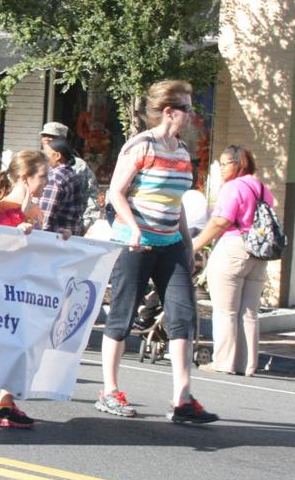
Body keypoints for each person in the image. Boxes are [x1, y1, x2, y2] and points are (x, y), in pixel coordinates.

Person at [100, 79, 216, 423]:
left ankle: (182, 399)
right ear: (169, 111)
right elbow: (116, 194)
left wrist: (187, 244)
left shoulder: (180, 151)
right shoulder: (140, 146)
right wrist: (134, 229)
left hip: (170, 246)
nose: (193, 115)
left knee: (182, 318)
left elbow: (176, 203)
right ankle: (109, 390)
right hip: (135, 245)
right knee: (121, 316)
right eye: (188, 108)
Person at [0, 149, 53, 428]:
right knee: (2, 345)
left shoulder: (35, 209)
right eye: (43, 176)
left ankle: (5, 403)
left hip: (27, 289)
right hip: (2, 293)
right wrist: (19, 235)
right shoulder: (3, 211)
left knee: (23, 347)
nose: (47, 182)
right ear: (25, 178)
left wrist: (61, 239)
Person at [191, 145, 275, 377]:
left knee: (226, 311)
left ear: (238, 164)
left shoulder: (233, 187)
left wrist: (194, 246)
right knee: (249, 312)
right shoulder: (261, 188)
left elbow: (221, 221)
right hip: (258, 253)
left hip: (233, 248)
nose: (220, 168)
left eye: (225, 163)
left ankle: (224, 362)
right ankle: (247, 365)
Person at [40, 121, 99, 230]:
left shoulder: (77, 165)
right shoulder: (37, 161)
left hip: (61, 230)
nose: (47, 139)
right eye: (44, 135)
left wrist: (84, 224)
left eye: (52, 136)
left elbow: (90, 194)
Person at [39, 137, 83, 235]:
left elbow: (45, 216)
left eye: (46, 154)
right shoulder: (72, 174)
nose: (43, 157)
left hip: (54, 239)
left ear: (57, 156)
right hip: (69, 236)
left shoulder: (55, 177)